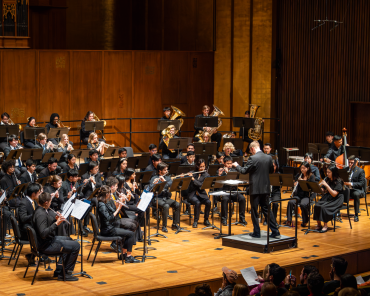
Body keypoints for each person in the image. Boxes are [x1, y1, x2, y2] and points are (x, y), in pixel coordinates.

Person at [232, 141, 280, 238]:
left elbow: (244, 171)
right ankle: (275, 232)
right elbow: (271, 171)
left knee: (254, 211)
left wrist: (236, 165)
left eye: (250, 151)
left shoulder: (253, 158)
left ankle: (257, 232)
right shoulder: (269, 157)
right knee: (267, 210)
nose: (251, 153)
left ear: (252, 148)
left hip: (255, 189)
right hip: (266, 188)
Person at [32, 192, 80, 281]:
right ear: (46, 202)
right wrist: (56, 223)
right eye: (50, 201)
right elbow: (43, 233)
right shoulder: (41, 214)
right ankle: (65, 273)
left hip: (46, 241)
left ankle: (59, 270)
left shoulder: (41, 210)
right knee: (76, 246)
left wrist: (55, 219)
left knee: (69, 239)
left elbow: (45, 225)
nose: (51, 203)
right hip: (45, 245)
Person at [96, 185, 140, 263]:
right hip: (108, 230)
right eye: (109, 193)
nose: (110, 195)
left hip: (110, 227)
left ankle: (123, 254)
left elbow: (111, 212)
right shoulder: (101, 205)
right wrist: (119, 208)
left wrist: (117, 206)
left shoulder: (104, 202)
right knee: (131, 234)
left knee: (128, 230)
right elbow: (109, 218)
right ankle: (128, 257)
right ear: (107, 194)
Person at [106, 176, 142, 243]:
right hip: (113, 220)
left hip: (117, 216)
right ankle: (120, 242)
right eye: (116, 186)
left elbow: (118, 202)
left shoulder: (113, 193)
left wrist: (122, 199)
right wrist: (120, 202)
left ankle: (128, 241)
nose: (117, 187)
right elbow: (113, 209)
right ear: (112, 187)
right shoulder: (107, 197)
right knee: (132, 224)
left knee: (135, 222)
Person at [148, 162, 180, 232]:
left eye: (167, 170)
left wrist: (164, 181)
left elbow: (171, 186)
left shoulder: (167, 178)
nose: (167, 171)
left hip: (166, 198)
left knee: (177, 204)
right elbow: (150, 189)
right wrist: (154, 184)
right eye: (165, 170)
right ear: (160, 171)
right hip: (156, 198)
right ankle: (164, 226)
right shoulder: (154, 178)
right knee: (166, 206)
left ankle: (175, 224)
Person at [313, 165, 344, 232]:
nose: (327, 174)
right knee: (317, 205)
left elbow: (334, 194)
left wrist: (327, 185)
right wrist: (319, 188)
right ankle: (319, 225)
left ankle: (325, 225)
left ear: (333, 172)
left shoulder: (339, 181)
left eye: (329, 172)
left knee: (323, 207)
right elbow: (323, 189)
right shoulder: (327, 179)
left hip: (336, 199)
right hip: (328, 197)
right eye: (327, 172)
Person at [285, 162, 316, 227]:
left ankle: (305, 221)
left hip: (307, 196)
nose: (302, 169)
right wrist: (295, 184)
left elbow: (312, 187)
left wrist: (303, 182)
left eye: (304, 168)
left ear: (307, 168)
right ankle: (289, 220)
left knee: (303, 204)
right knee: (290, 202)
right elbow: (296, 185)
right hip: (298, 195)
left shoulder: (311, 176)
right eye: (301, 168)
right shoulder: (298, 175)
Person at [18, 183, 42, 265]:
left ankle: (36, 255)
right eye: (38, 192)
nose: (39, 194)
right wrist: (35, 214)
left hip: (30, 227)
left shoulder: (33, 202)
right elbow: (23, 218)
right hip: (25, 231)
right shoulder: (24, 203)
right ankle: (38, 255)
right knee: (43, 234)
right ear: (33, 194)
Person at [219, 156, 247, 225]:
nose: (229, 165)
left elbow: (236, 181)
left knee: (242, 198)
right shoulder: (220, 171)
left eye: (231, 163)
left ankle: (242, 218)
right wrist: (220, 174)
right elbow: (219, 183)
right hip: (225, 191)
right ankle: (224, 219)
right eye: (228, 163)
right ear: (224, 163)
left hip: (233, 191)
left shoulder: (234, 171)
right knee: (224, 199)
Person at [186, 159, 211, 228]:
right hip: (192, 194)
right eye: (200, 166)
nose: (202, 168)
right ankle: (195, 221)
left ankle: (206, 219)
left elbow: (201, 185)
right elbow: (185, 183)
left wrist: (193, 179)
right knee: (197, 203)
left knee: (208, 202)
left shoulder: (206, 175)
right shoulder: (192, 172)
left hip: (201, 194)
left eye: (203, 166)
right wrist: (185, 177)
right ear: (197, 166)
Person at [343, 155, 366, 222]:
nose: (350, 164)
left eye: (352, 162)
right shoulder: (346, 169)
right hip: (347, 189)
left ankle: (356, 214)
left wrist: (351, 184)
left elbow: (361, 184)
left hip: (357, 190)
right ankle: (337, 212)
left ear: (356, 163)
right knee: (338, 192)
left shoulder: (360, 171)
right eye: (349, 162)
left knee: (355, 194)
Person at [263, 159, 280, 225]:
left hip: (276, 192)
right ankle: (267, 219)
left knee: (275, 204)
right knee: (266, 203)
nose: (273, 168)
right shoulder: (266, 173)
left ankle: (273, 219)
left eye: (274, 166)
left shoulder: (278, 174)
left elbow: (280, 186)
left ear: (276, 166)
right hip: (267, 192)